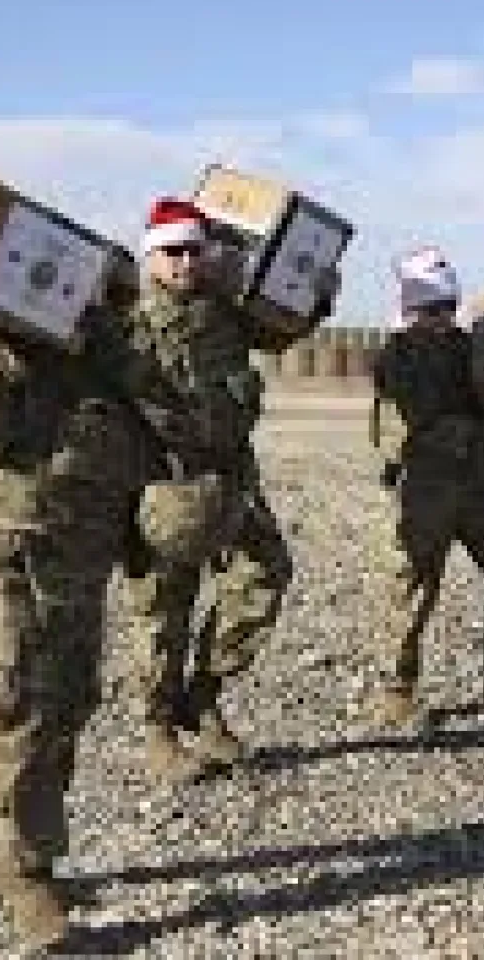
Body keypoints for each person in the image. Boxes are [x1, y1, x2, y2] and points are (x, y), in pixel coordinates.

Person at [0, 254, 199, 951]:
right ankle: (24, 876)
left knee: (68, 706)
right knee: (13, 707)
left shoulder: (112, 386)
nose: (107, 319)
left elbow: (146, 478)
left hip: (78, 575)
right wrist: (2, 336)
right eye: (95, 305)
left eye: (114, 305)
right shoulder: (5, 366)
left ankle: (26, 852)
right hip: (7, 565)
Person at [117, 196, 340, 783]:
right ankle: (159, 731)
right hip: (168, 484)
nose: (186, 261)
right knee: (166, 607)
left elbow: (281, 330)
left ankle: (204, 693)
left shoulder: (224, 314)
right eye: (173, 251)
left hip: (234, 476)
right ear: (151, 257)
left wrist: (314, 292)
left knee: (265, 574)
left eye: (194, 249)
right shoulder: (127, 328)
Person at [366, 245, 484, 728]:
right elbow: (428, 423)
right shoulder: (397, 357)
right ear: (408, 307)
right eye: (431, 308)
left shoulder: (464, 347)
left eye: (447, 306)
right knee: (412, 590)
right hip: (425, 486)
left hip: (477, 482)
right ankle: (397, 694)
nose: (441, 318)